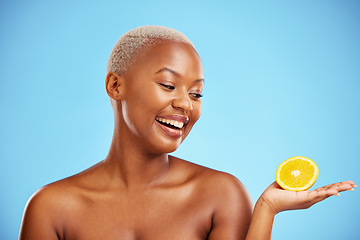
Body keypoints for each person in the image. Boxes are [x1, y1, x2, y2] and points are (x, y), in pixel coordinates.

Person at [19, 26, 356, 240]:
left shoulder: (219, 195)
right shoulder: (51, 208)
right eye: (168, 85)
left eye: (196, 94)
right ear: (115, 85)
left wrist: (267, 208)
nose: (186, 105)